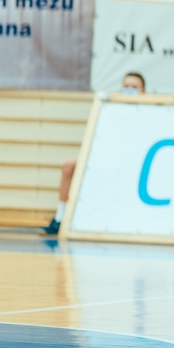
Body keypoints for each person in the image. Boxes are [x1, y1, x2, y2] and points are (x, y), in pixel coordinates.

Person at [41, 71, 145, 236]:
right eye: (126, 86)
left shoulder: (149, 112)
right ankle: (60, 218)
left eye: (134, 87)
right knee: (69, 165)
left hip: (134, 160)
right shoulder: (110, 109)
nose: (129, 90)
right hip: (105, 155)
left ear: (143, 91)